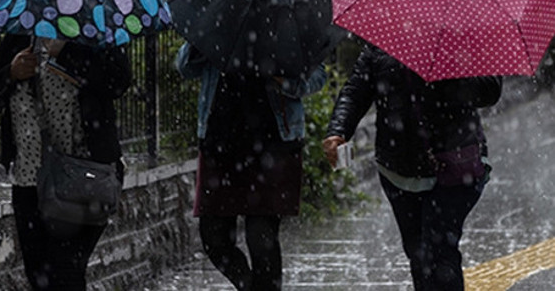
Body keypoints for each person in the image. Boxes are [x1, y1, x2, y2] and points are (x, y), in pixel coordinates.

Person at [323, 44, 502, 290]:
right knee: (418, 253)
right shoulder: (382, 42)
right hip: (398, 168)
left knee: (439, 250)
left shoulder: (464, 37)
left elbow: (491, 89)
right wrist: (338, 130)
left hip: (455, 165)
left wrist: (447, 76)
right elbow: (356, 91)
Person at [0, 34, 131, 290]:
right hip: (29, 181)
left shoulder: (94, 34)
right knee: (39, 275)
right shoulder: (20, 38)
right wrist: (10, 73)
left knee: (65, 270)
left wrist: (67, 53)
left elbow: (118, 83)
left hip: (84, 178)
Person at [175, 41, 327, 291]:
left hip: (272, 145)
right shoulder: (219, 16)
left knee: (261, 238)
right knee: (214, 238)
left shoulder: (286, 20)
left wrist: (285, 80)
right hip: (220, 144)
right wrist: (198, 41)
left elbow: (318, 75)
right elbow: (185, 68)